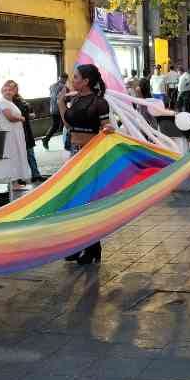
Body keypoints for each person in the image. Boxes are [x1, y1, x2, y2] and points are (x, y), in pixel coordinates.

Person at [58, 64, 113, 265]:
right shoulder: (75, 100)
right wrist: (60, 102)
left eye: (76, 77)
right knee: (73, 201)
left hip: (91, 154)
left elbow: (106, 125)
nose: (73, 80)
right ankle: (77, 245)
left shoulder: (100, 103)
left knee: (87, 202)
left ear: (86, 81)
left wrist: (107, 130)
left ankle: (92, 247)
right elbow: (68, 124)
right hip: (74, 153)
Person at [0, 80, 32, 186]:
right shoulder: (3, 102)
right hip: (10, 134)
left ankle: (16, 181)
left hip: (15, 133)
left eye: (10, 90)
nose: (8, 92)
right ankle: (13, 182)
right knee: (12, 156)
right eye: (6, 90)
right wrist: (21, 118)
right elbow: (10, 117)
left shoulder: (10, 102)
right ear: (2, 91)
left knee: (17, 155)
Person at [12, 84, 44, 183]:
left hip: (26, 129)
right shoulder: (8, 102)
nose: (15, 90)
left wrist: (30, 114)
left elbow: (29, 111)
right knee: (18, 155)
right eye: (13, 88)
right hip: (17, 131)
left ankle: (35, 174)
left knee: (30, 153)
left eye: (16, 87)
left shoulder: (20, 99)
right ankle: (18, 178)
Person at [43, 74, 67, 149]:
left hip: (52, 108)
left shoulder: (51, 86)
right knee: (59, 125)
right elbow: (63, 98)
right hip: (59, 108)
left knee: (56, 125)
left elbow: (52, 96)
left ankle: (46, 139)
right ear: (65, 79)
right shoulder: (63, 87)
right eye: (65, 79)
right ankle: (46, 139)